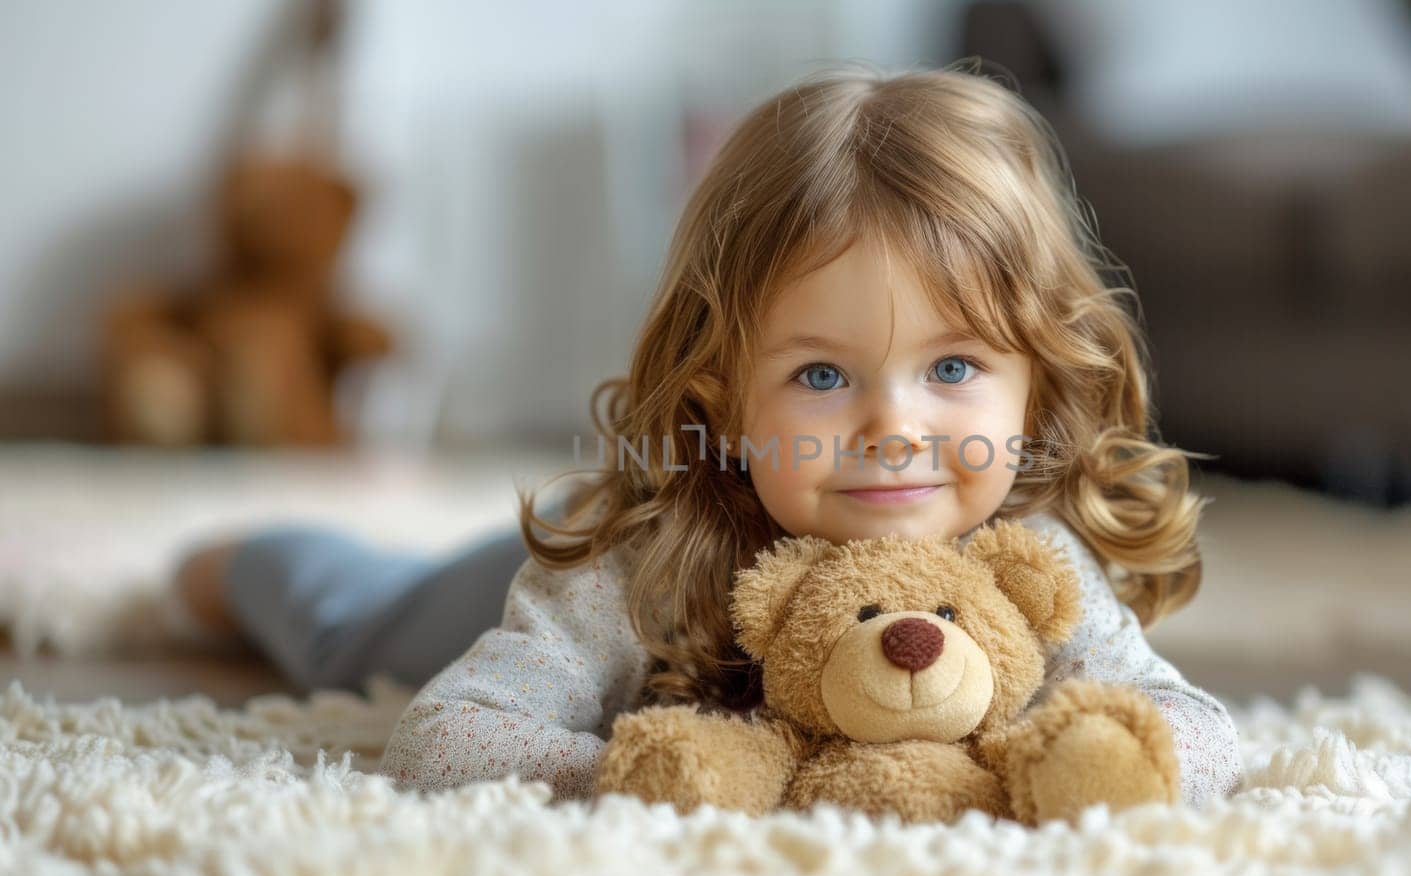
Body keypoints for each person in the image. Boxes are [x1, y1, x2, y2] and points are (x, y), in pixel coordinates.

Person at [176, 62, 1243, 811]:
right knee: (348, 623)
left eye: (953, 368)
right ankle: (226, 561)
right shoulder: (630, 567)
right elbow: (441, 739)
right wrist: (676, 772)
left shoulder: (1030, 554)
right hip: (560, 550)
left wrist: (1067, 765)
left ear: (1036, 383)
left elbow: (1193, 729)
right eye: (821, 375)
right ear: (722, 392)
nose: (893, 430)